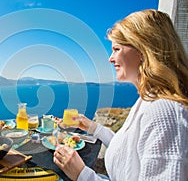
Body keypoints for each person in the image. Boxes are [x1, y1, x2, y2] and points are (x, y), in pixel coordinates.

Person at [53, 9, 188, 180]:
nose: (110, 58)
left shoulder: (165, 113)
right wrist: (93, 127)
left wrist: (83, 175)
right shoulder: (149, 101)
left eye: (116, 49)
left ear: (142, 50)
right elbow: (129, 149)